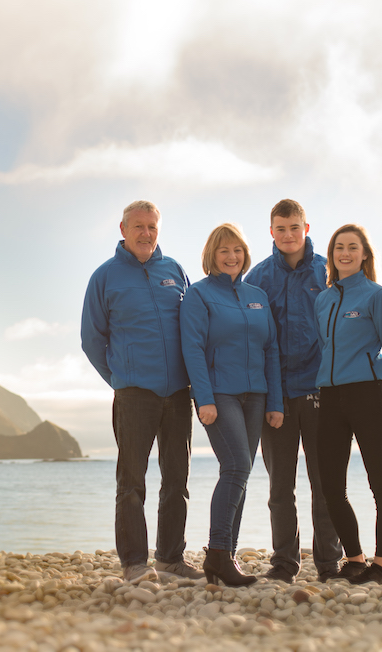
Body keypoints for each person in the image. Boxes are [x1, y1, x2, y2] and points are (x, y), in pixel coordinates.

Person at [81, 201, 204, 584]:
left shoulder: (175, 271)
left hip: (178, 393)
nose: (146, 233)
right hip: (134, 393)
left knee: (177, 479)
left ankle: (170, 558)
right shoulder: (105, 277)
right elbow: (91, 339)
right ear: (122, 229)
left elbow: (193, 328)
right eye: (138, 226)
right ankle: (134, 562)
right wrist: (121, 378)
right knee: (132, 481)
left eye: (152, 226)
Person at [180, 223, 284, 586]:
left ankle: (227, 558)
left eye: (237, 250)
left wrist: (276, 401)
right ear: (212, 254)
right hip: (220, 394)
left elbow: (271, 348)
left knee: (240, 472)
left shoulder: (257, 295)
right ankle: (218, 554)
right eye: (224, 250)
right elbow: (192, 348)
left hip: (256, 395)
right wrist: (203, 399)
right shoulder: (199, 295)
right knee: (237, 465)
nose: (232, 256)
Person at [246, 200, 343, 584]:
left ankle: (329, 563)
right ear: (271, 231)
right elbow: (251, 337)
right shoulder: (258, 278)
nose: (288, 235)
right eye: (281, 228)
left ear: (306, 227)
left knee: (325, 483)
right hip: (277, 398)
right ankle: (284, 562)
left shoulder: (328, 271)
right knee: (280, 486)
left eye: (295, 227)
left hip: (321, 393)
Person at [314, 224, 382, 585]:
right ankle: (354, 558)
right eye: (339, 247)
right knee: (331, 486)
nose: (345, 253)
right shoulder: (324, 299)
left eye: (353, 247)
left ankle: (381, 564)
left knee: (380, 483)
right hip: (330, 397)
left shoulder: (376, 296)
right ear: (332, 255)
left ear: (365, 254)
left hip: (368, 394)